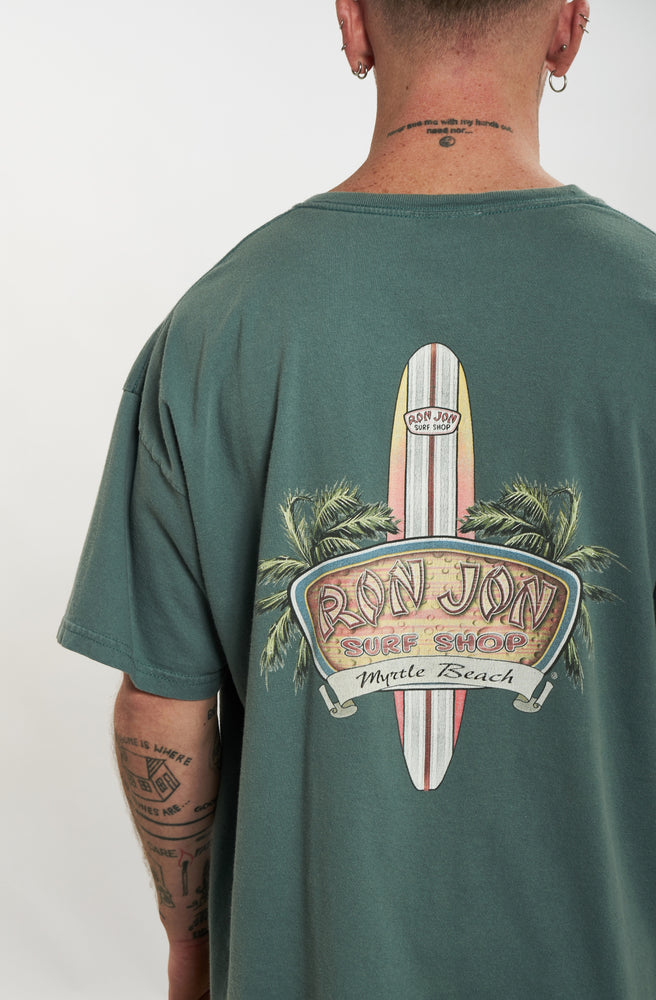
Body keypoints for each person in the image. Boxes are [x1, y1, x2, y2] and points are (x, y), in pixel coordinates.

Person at [58, 0, 656, 996]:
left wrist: (190, 949)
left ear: (353, 25)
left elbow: (162, 707)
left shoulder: (215, 327)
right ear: (567, 26)